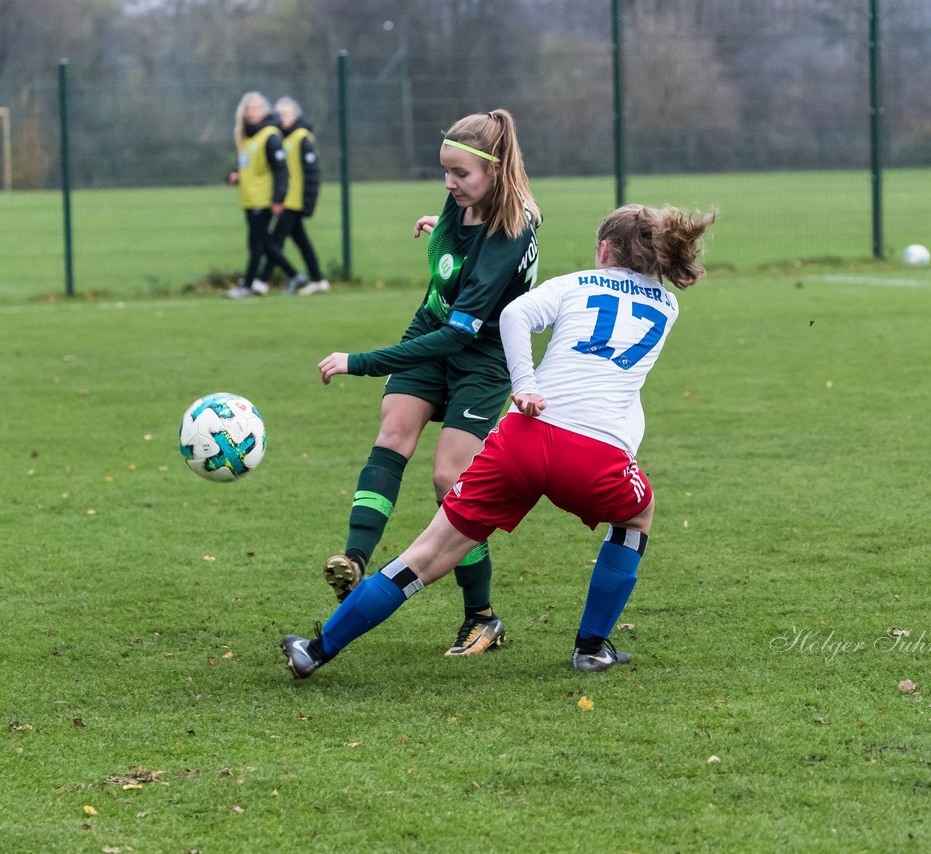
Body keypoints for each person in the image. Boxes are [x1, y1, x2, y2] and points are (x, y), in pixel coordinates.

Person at [280, 203, 716, 678]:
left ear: (604, 249)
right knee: (637, 516)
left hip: (523, 438)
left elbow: (513, 314)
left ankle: (318, 649)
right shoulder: (667, 306)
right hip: (594, 458)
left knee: (425, 556)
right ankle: (592, 647)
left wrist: (525, 383)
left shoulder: (572, 284)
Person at [314, 109, 541, 656]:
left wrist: (362, 361)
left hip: (479, 355)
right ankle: (354, 562)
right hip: (431, 331)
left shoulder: (511, 230)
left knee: (450, 480)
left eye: (460, 174)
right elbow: (455, 255)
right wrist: (436, 227)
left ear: (495, 170)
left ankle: (482, 617)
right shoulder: (466, 200)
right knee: (394, 434)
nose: (449, 183)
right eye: (445, 171)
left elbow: (462, 331)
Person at [260, 97, 331, 296]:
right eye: (279, 114)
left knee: (275, 240)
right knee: (300, 241)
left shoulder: (302, 137)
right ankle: (318, 279)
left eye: (286, 114)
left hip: (294, 201)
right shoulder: (282, 138)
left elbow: (311, 174)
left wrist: (308, 202)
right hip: (287, 199)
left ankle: (263, 280)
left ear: (295, 115)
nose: (281, 118)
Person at [225, 91, 289, 299]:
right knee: (261, 244)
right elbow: (247, 166)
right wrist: (234, 175)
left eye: (255, 108)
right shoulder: (248, 138)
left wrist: (278, 198)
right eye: (248, 109)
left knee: (257, 245)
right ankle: (295, 275)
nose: (251, 113)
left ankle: (249, 285)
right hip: (250, 199)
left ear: (264, 110)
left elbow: (281, 170)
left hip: (263, 199)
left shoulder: (269, 136)